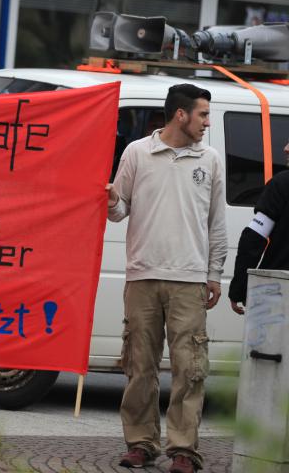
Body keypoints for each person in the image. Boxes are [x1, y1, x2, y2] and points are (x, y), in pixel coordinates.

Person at [106, 84, 226, 473]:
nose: (207, 122)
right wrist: (110, 200)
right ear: (181, 114)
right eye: (203, 115)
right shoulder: (137, 152)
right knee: (139, 365)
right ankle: (141, 443)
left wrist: (214, 275)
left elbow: (217, 224)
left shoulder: (210, 160)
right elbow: (119, 209)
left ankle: (183, 451)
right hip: (142, 275)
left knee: (189, 368)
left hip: (189, 279)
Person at [229, 142, 289, 314]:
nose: (285, 148)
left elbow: (254, 238)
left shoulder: (282, 183)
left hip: (279, 291)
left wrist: (239, 288)